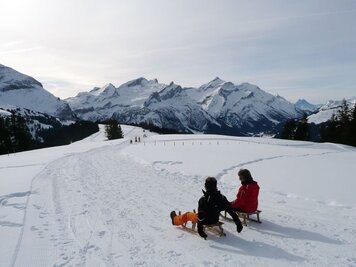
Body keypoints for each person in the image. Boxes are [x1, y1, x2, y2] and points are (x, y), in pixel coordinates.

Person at [170, 177, 243, 239]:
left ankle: (175, 220)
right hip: (215, 219)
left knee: (188, 215)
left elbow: (200, 217)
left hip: (205, 221)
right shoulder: (222, 198)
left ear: (205, 186)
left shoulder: (203, 199)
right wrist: (238, 223)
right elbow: (231, 211)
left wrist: (201, 231)